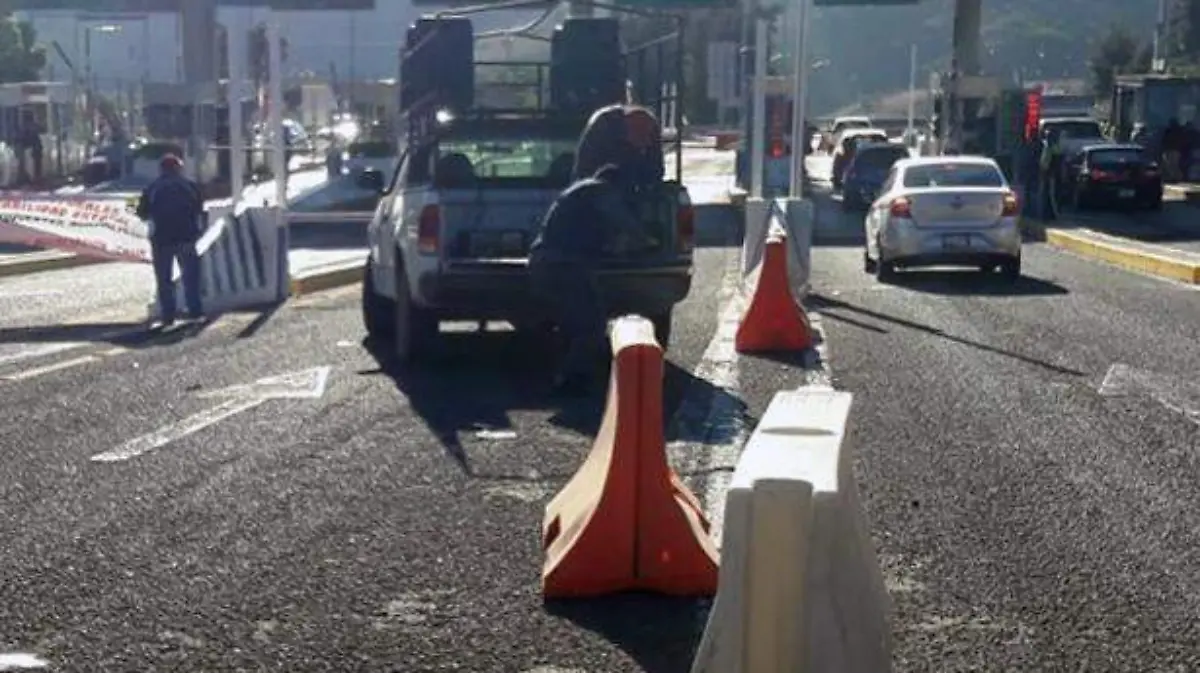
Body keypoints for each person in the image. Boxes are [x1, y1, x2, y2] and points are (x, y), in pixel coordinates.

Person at [528, 163, 657, 396]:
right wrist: (646, 240)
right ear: (615, 184)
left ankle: (571, 374)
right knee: (592, 324)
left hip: (546, 262)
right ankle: (570, 378)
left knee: (573, 323)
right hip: (564, 265)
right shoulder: (599, 190)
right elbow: (623, 222)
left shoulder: (579, 192)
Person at [135, 154, 205, 327]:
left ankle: (168, 315)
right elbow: (199, 208)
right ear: (179, 168)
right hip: (186, 237)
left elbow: (142, 212)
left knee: (164, 279)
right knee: (190, 276)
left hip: (162, 239)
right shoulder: (189, 186)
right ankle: (194, 311)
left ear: (161, 170)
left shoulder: (153, 187)